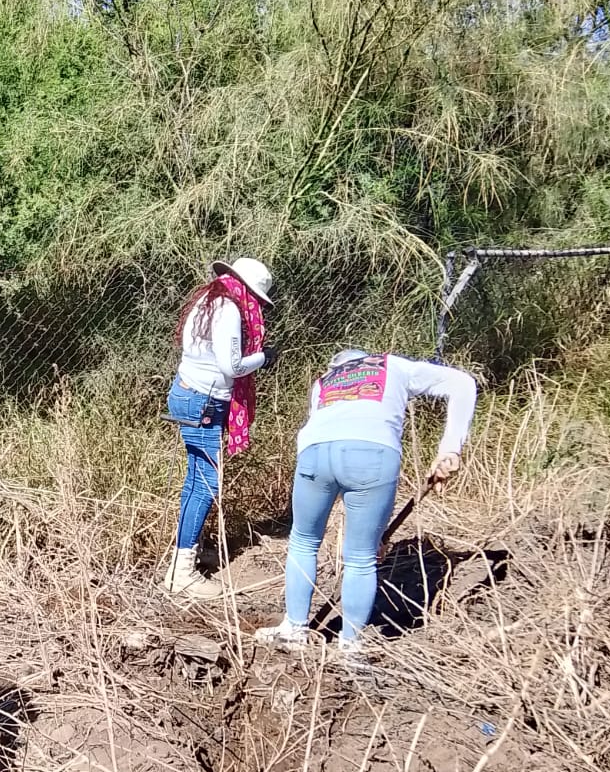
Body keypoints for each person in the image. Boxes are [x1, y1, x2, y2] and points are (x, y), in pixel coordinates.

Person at [256, 348, 478, 652]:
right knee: (361, 557)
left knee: (304, 541)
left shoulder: (324, 381)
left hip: (315, 453)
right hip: (372, 454)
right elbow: (462, 384)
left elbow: (327, 425)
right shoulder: (394, 365)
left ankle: (294, 628)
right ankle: (350, 648)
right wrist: (450, 448)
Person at [162, 256, 277, 600]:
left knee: (197, 480)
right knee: (205, 483)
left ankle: (187, 551)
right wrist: (265, 357)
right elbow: (233, 366)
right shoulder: (228, 308)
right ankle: (182, 572)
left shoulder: (207, 299)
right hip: (204, 400)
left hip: (189, 392)